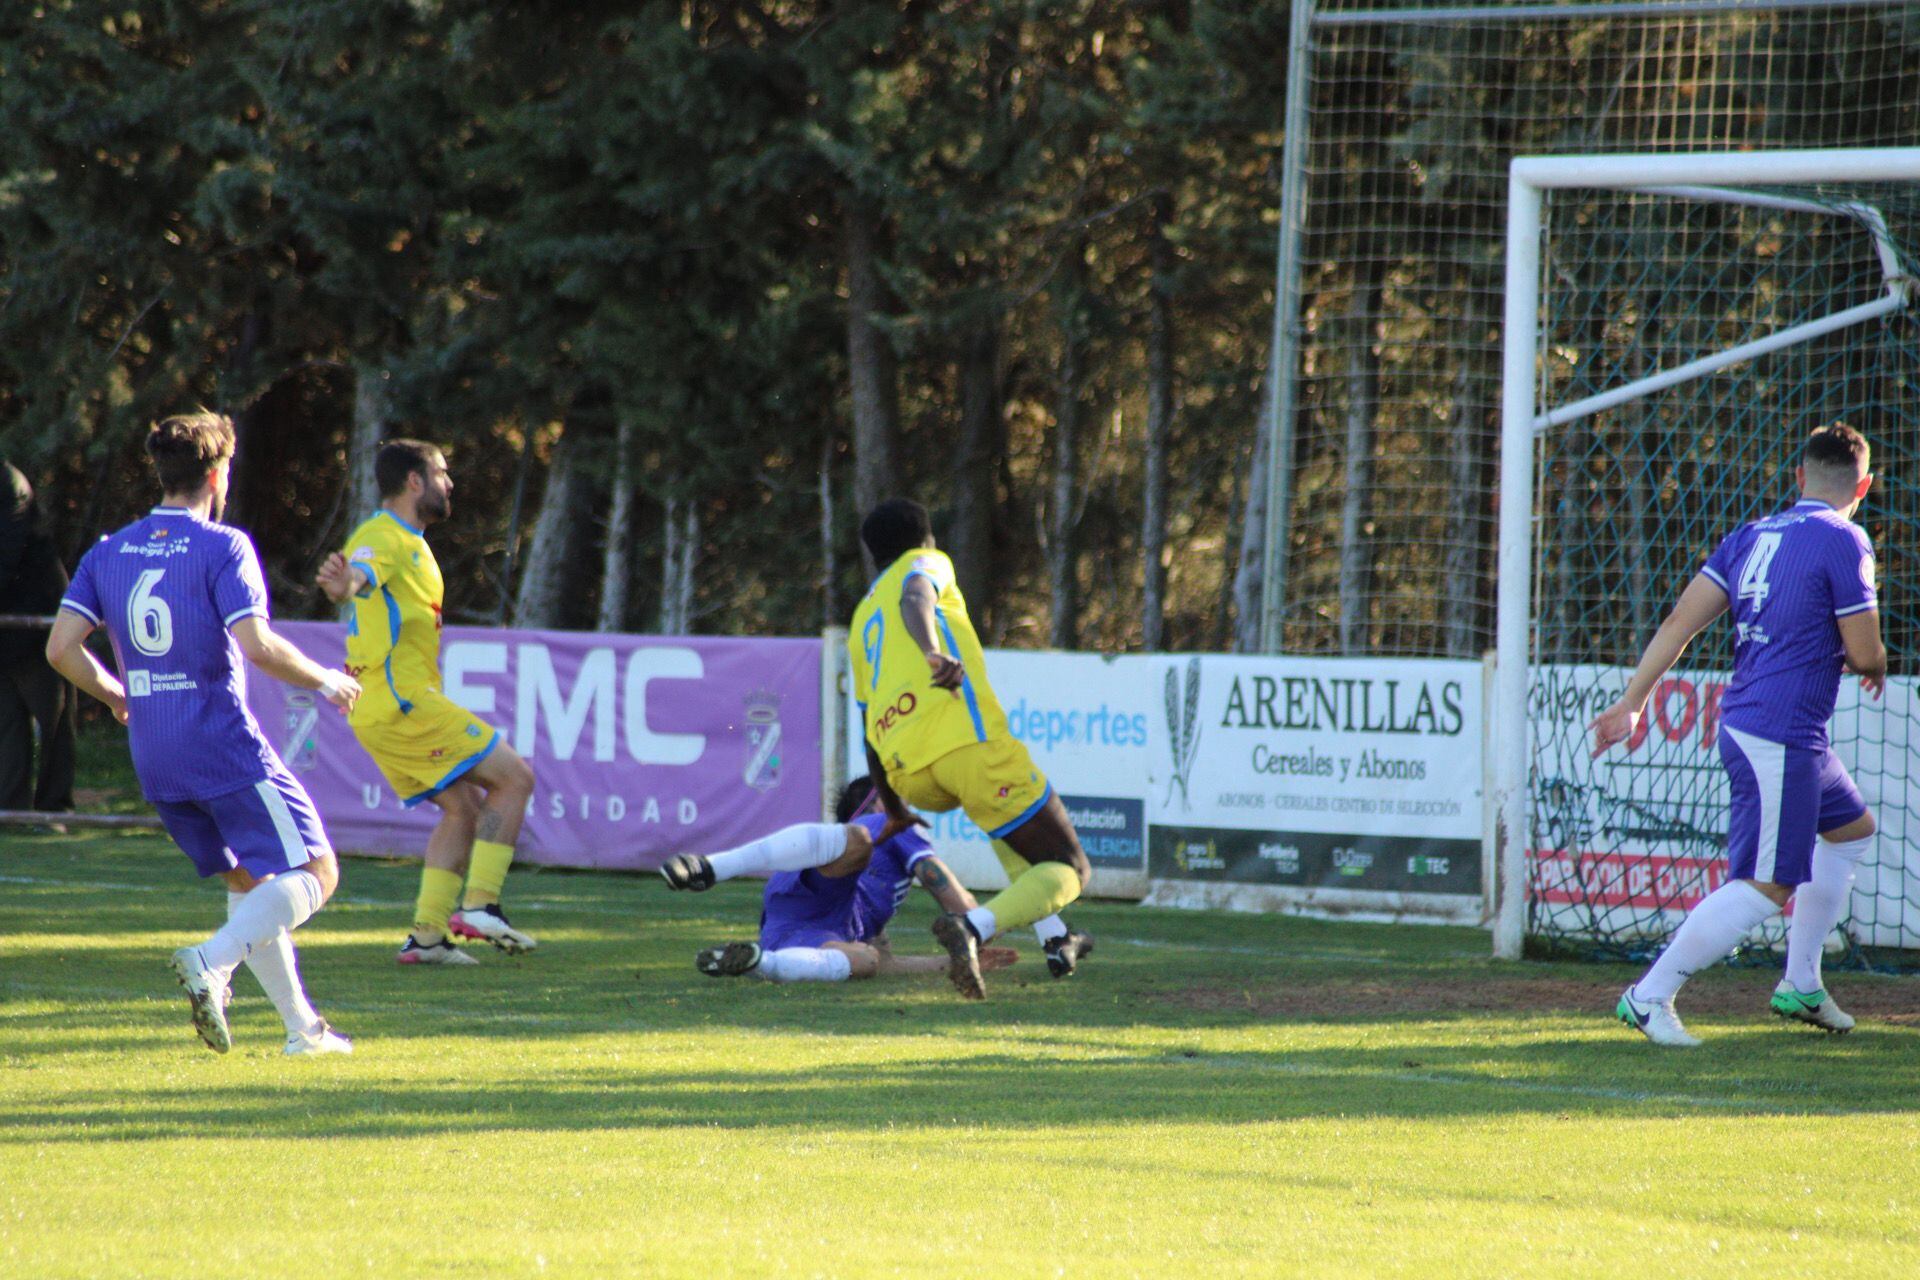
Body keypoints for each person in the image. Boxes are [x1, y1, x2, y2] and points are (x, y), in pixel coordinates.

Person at [44, 413, 359, 1056]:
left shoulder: (110, 551)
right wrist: (326, 681)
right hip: (220, 743)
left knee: (247, 883)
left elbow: (60, 649)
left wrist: (114, 694)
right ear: (218, 474)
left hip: (155, 753)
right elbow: (258, 644)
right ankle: (212, 962)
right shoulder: (224, 547)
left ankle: (304, 1031)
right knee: (317, 871)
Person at [1591, 424, 1886, 1046]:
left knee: (1851, 830)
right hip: (1778, 733)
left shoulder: (1749, 535)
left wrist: (1631, 702)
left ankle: (1800, 984)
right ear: (1863, 486)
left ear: (1798, 478)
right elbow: (1863, 653)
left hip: (1772, 726)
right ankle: (1649, 996)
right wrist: (1878, 662)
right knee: (1768, 883)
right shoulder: (1846, 538)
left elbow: (1679, 621)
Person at [847, 498, 1094, 999]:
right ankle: (973, 928)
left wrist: (893, 807)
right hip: (963, 739)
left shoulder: (858, 622)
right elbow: (916, 597)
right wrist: (933, 652)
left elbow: (867, 719)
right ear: (926, 538)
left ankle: (1056, 938)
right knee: (1071, 866)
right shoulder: (925, 563)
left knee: (1007, 824)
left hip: (907, 768)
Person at [317, 440, 539, 965]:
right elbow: (358, 577)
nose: (451, 482)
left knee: (461, 809)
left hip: (384, 706)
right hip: (402, 702)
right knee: (515, 779)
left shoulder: (408, 540)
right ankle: (481, 903)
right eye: (442, 472)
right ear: (414, 481)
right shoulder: (385, 535)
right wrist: (342, 583)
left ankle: (427, 937)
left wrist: (347, 584)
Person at [683, 775, 1022, 984]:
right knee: (857, 843)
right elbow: (947, 890)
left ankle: (758, 963)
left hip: (792, 934)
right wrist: (986, 925)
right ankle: (713, 867)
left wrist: (948, 964)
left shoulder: (869, 887)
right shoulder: (889, 825)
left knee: (866, 960)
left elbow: (885, 964)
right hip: (819, 896)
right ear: (879, 802)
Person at [0, 459, 77, 813]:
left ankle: (54, 809)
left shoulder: (8, 481)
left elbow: (6, 554)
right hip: (8, 621)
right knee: (7, 722)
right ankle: (10, 809)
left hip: (38, 618)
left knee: (54, 719)